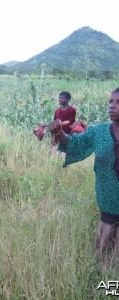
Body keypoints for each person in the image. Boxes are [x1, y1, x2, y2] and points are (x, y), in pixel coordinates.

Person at [47, 87, 119, 268]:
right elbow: (73, 144)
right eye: (110, 101)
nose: (112, 106)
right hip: (108, 206)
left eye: (118, 103)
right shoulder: (99, 132)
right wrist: (59, 133)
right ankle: (106, 289)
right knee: (104, 260)